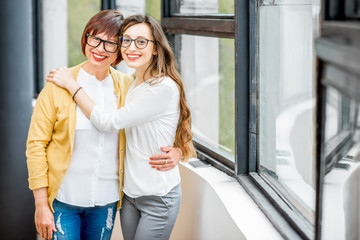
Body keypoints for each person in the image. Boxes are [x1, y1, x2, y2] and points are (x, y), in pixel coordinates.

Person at [26, 10, 182, 240]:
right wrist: (40, 203)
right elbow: (36, 145)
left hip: (106, 203)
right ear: (85, 38)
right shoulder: (58, 85)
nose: (100, 48)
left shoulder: (128, 86)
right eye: (94, 38)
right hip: (63, 201)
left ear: (119, 49)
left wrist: (179, 149)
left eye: (110, 43)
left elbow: (164, 120)